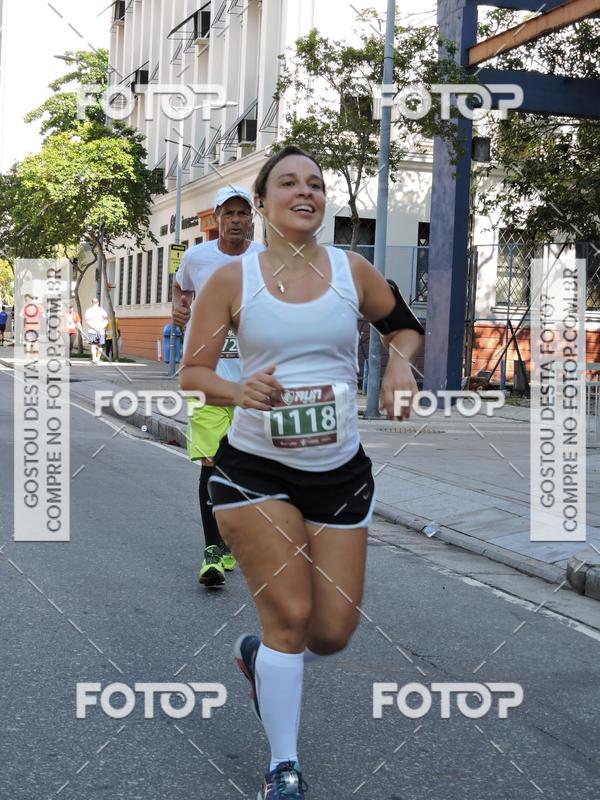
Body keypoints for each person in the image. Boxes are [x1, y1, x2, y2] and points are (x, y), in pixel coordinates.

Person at [180, 145, 424, 799]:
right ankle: (282, 768)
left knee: (332, 632)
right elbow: (194, 373)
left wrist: (400, 362)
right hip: (254, 468)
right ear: (262, 203)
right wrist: (240, 393)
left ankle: (264, 663)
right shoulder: (233, 281)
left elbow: (403, 326)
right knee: (288, 616)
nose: (304, 191)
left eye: (314, 183)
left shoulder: (353, 270)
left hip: (339, 472)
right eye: (287, 182)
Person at [173, 186, 265, 588]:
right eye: (229, 214)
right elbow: (181, 289)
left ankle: (232, 539)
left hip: (254, 383)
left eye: (243, 213)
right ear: (217, 219)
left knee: (248, 471)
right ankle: (213, 551)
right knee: (212, 464)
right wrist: (179, 307)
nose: (236, 220)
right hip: (208, 379)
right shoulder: (196, 257)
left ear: (252, 219)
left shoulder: (265, 258)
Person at [84, 298, 108, 364]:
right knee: (100, 345)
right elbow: (106, 320)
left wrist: (94, 327)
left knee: (93, 345)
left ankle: (94, 359)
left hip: (92, 330)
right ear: (98, 303)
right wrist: (102, 327)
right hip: (101, 331)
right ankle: (97, 358)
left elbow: (87, 321)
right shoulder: (102, 310)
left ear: (91, 303)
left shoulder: (89, 311)